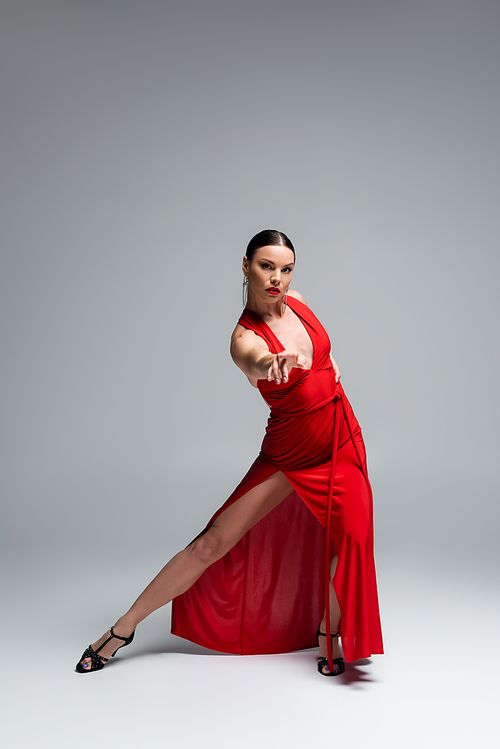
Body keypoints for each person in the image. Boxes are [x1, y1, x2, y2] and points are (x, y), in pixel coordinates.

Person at [76, 229, 384, 677]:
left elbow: (326, 358)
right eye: (265, 267)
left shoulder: (297, 300)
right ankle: (123, 628)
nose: (276, 278)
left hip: (341, 441)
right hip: (288, 453)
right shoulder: (244, 340)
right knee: (212, 543)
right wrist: (270, 365)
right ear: (245, 266)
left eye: (285, 268)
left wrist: (331, 369)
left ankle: (327, 634)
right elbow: (256, 360)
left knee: (353, 541)